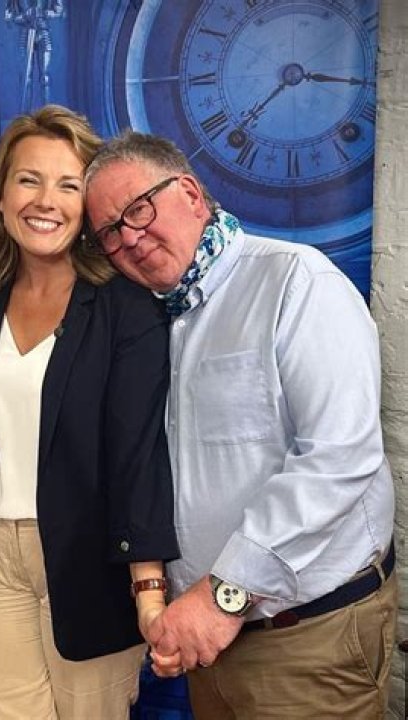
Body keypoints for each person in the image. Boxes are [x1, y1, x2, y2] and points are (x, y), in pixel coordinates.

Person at [84, 131, 397, 719]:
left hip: (305, 641)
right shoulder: (155, 319)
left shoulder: (295, 281)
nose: (129, 238)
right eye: (109, 233)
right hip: (211, 644)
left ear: (190, 194)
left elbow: (339, 457)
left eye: (139, 209)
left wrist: (221, 597)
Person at [0, 106, 179, 719]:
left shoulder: (126, 308)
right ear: (1, 195)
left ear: (89, 206)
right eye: (28, 180)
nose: (45, 201)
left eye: (68, 185)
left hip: (90, 561)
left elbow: (138, 457)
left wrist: (148, 589)